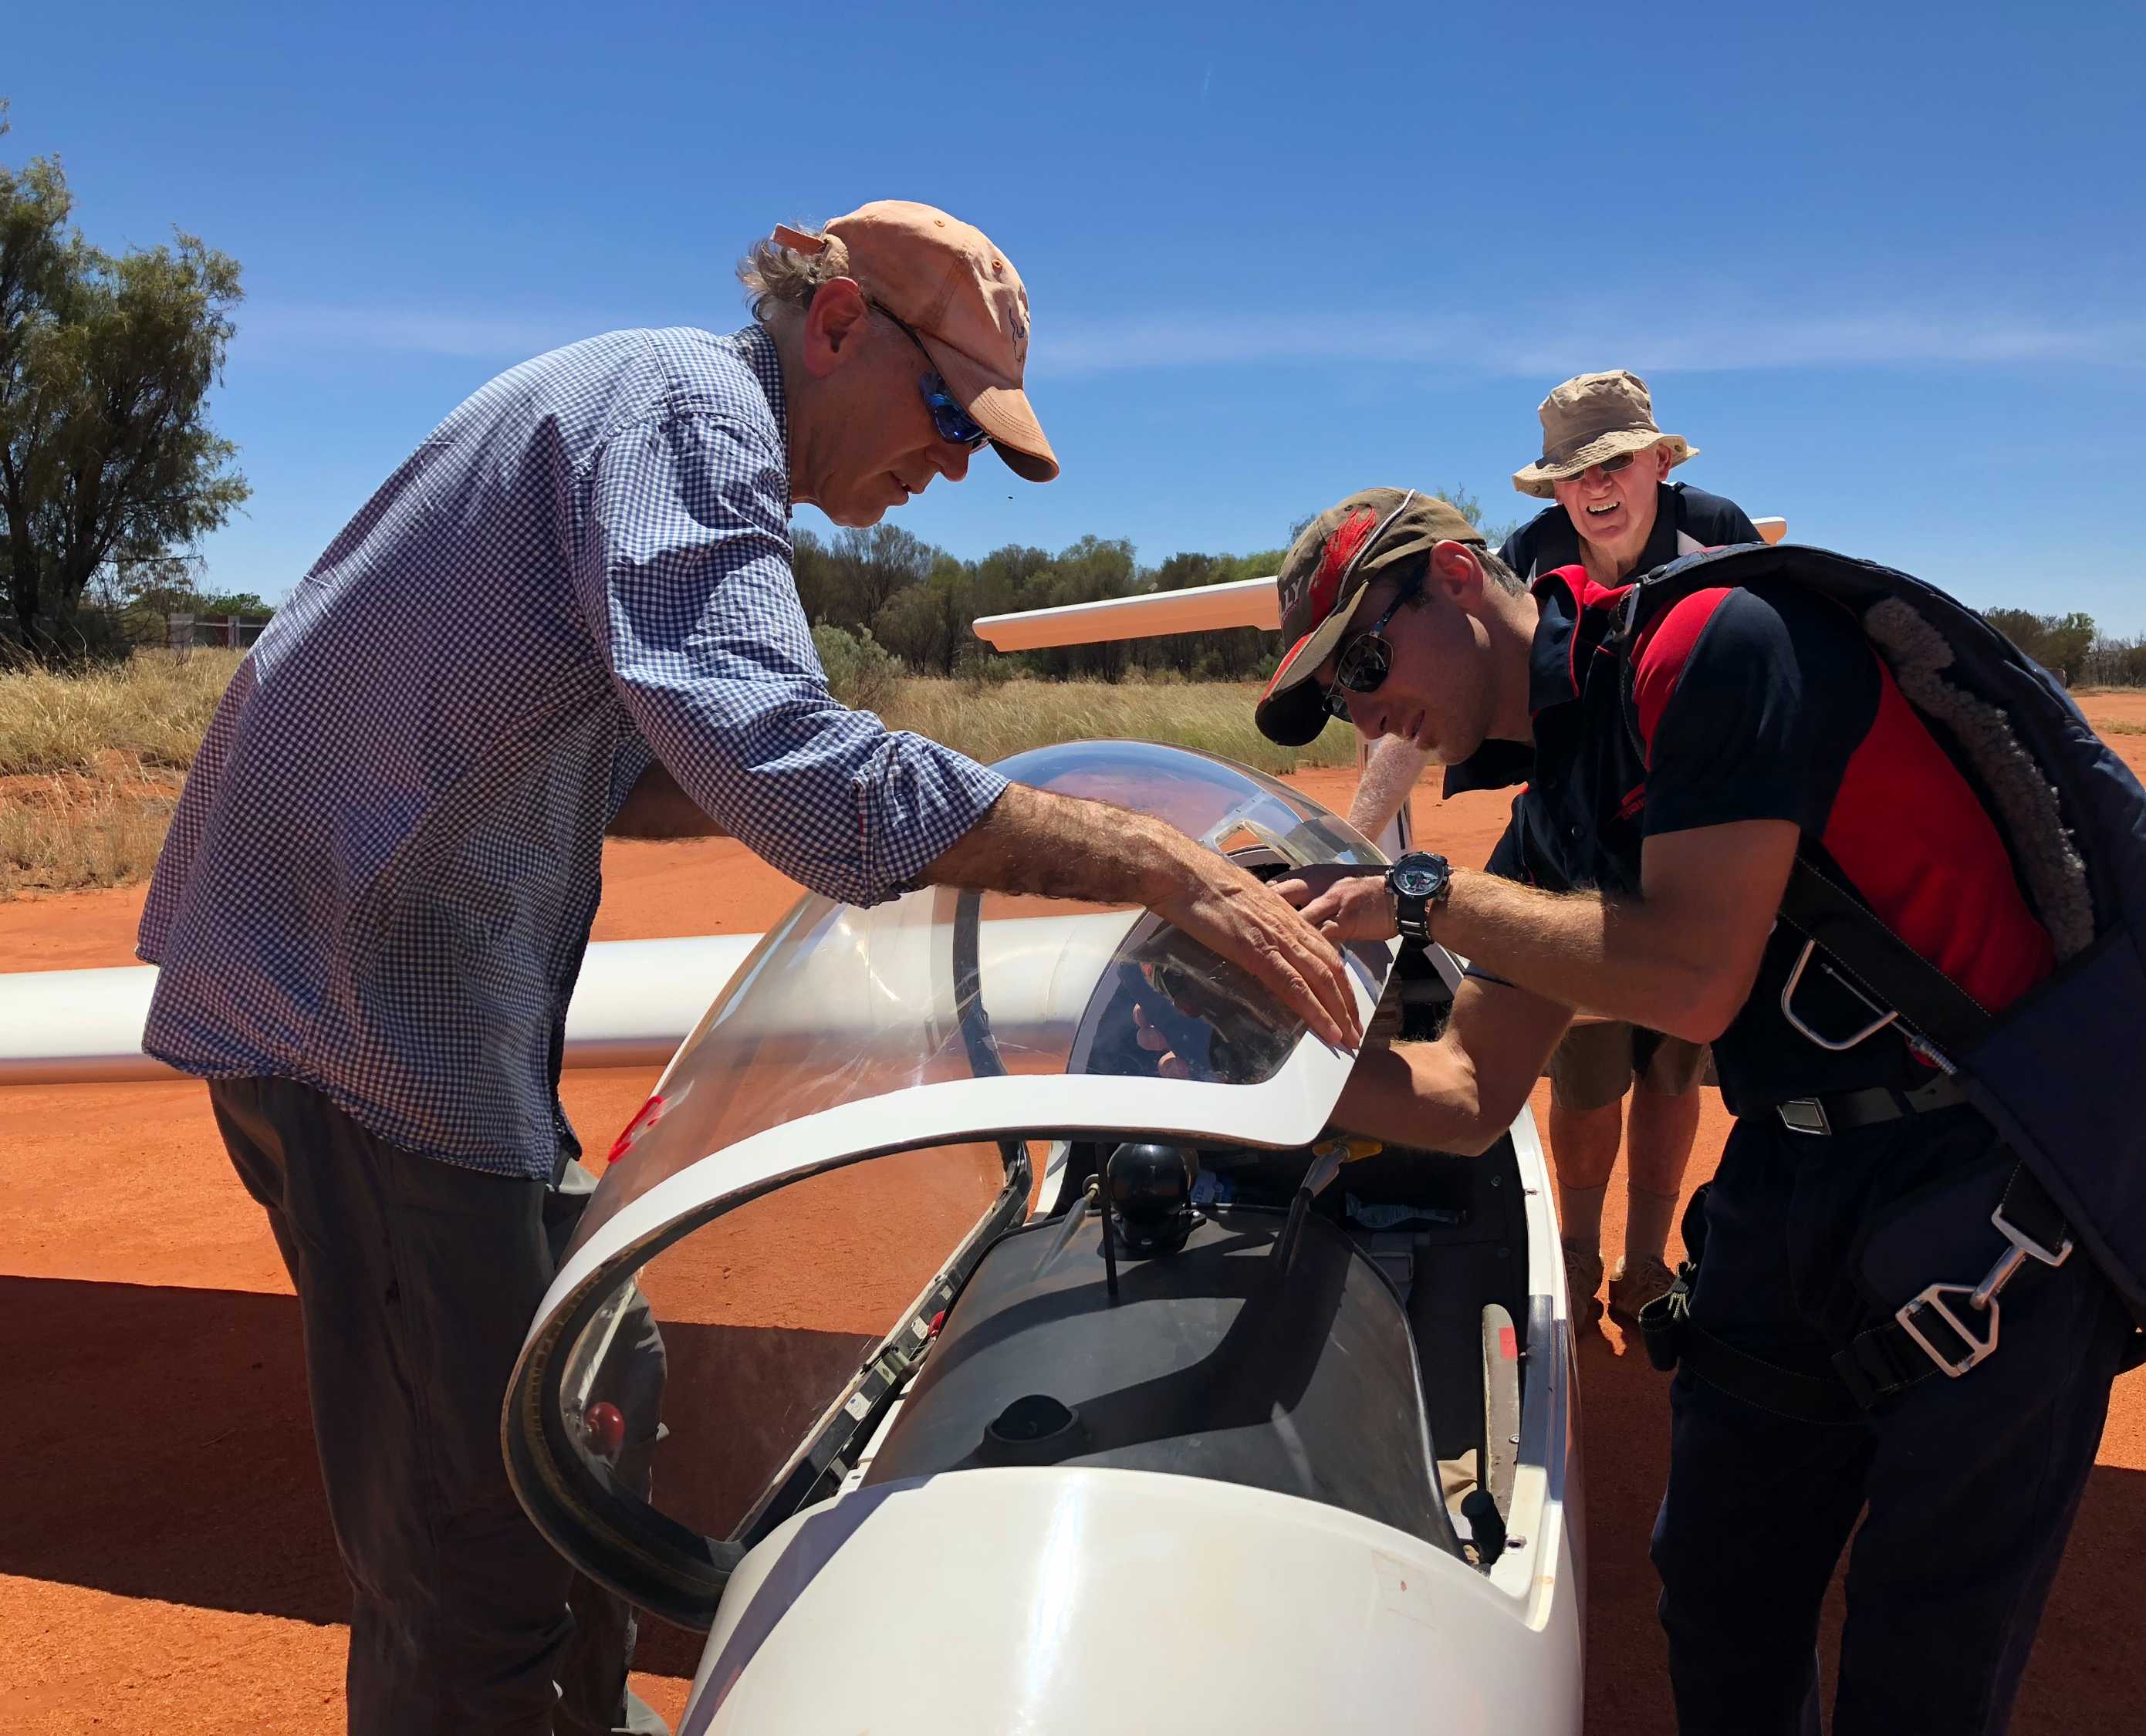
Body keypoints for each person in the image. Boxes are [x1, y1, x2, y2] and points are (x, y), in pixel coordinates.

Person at [136, 201, 1356, 1736]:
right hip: (362, 1020)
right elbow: (787, 769)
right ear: (836, 322)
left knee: (600, 1374)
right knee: (473, 1564)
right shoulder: (692, 413)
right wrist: (1151, 857)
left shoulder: (653, 414)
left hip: (401, 994)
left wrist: (882, 797)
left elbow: (676, 768)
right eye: (945, 416)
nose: (952, 466)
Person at [1251, 486, 2135, 1734]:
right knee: (1720, 1604)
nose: (1360, 707)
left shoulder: (1713, 645)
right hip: (1789, 1181)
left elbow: (1695, 978)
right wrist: (1254, 1058)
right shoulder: (1559, 808)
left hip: (1983, 1188)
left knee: (1923, 1664)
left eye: (1363, 657)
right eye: (1334, 695)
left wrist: (1417, 896)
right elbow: (1462, 1093)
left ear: (1456, 576)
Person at [1341, 371, 1761, 1329]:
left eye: (1616, 462)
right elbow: (1424, 704)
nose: (1598, 486)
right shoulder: (1523, 559)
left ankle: (1645, 1263)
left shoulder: (1717, 536)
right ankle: (1574, 1255)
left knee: (1674, 1069)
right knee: (1585, 1073)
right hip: (1572, 842)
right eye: (1576, 473)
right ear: (1553, 490)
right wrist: (1357, 841)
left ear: (1660, 462)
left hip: (1691, 844)